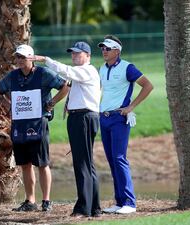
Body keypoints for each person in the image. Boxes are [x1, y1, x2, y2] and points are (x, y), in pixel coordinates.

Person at [30, 41, 102, 218]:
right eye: (73, 53)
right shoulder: (82, 73)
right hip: (81, 117)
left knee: (82, 164)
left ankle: (83, 208)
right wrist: (68, 104)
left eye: (78, 53)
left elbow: (66, 72)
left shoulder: (87, 70)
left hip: (83, 118)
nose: (74, 56)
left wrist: (44, 59)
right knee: (87, 163)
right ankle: (94, 208)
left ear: (88, 56)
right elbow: (73, 86)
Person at [0, 44, 69, 212]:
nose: (19, 60)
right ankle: (30, 201)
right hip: (19, 125)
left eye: (23, 57)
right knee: (25, 164)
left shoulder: (43, 74)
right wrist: (11, 103)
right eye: (17, 57)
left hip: (39, 124)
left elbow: (65, 86)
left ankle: (46, 201)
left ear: (31, 58)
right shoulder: (12, 76)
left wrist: (51, 103)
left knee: (42, 163)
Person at [97, 35, 153, 214]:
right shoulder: (101, 68)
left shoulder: (127, 67)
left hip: (119, 119)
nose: (104, 51)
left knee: (120, 158)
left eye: (107, 48)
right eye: (102, 48)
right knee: (112, 160)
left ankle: (130, 202)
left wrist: (131, 106)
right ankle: (120, 202)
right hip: (103, 118)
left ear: (117, 51)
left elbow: (148, 85)